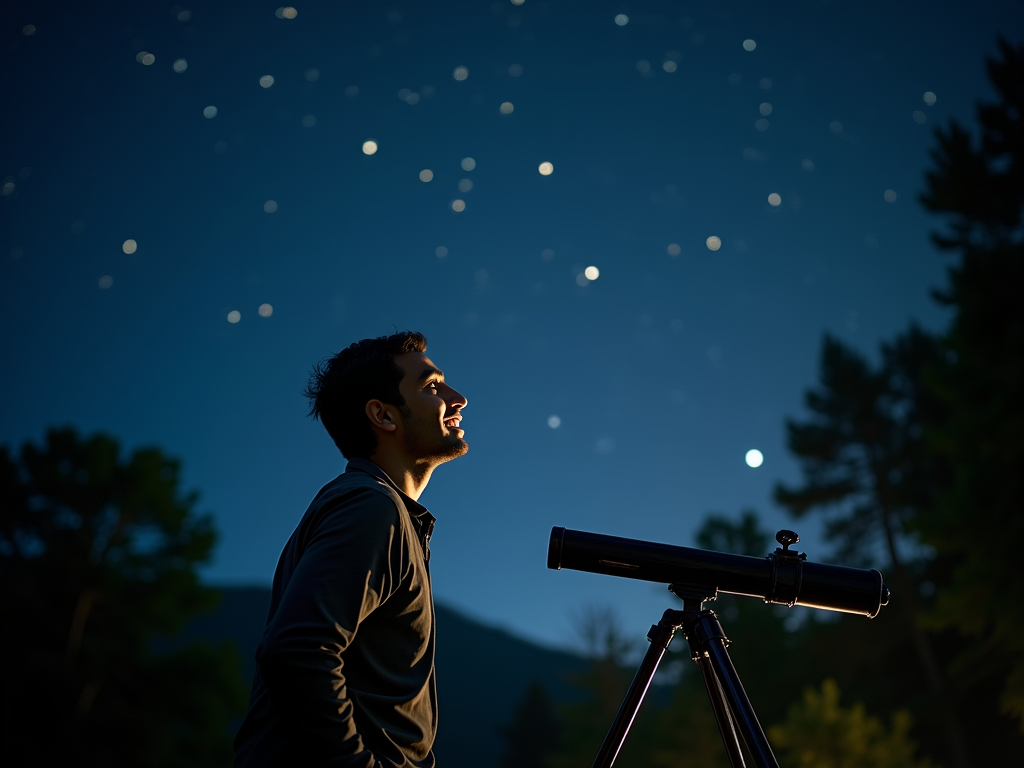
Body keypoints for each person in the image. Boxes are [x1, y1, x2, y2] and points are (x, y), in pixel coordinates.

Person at [234, 331, 467, 768]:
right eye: (432, 386)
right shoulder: (371, 507)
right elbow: (298, 651)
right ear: (384, 415)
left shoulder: (380, 509)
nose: (459, 399)